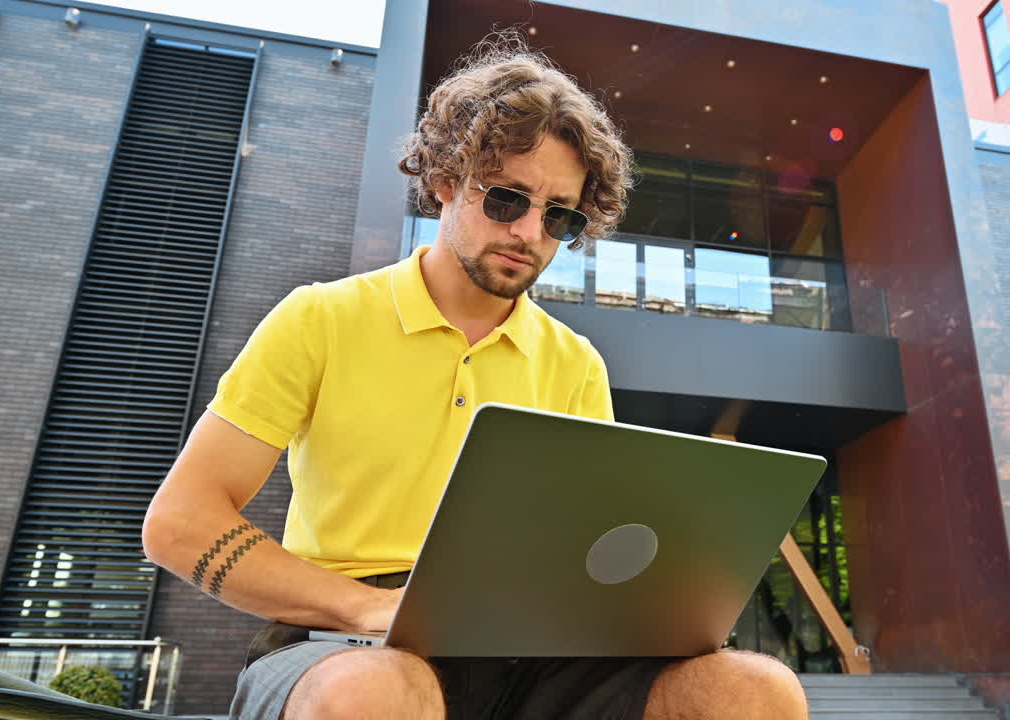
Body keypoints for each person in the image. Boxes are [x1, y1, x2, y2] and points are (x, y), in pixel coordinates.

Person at [142, 35, 809, 720]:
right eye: (506, 201)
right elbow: (179, 523)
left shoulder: (575, 363)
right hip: (339, 642)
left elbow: (585, 555)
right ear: (445, 181)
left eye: (558, 215)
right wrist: (370, 606)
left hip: (527, 649)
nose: (528, 231)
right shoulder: (321, 317)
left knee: (754, 692)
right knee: (375, 692)